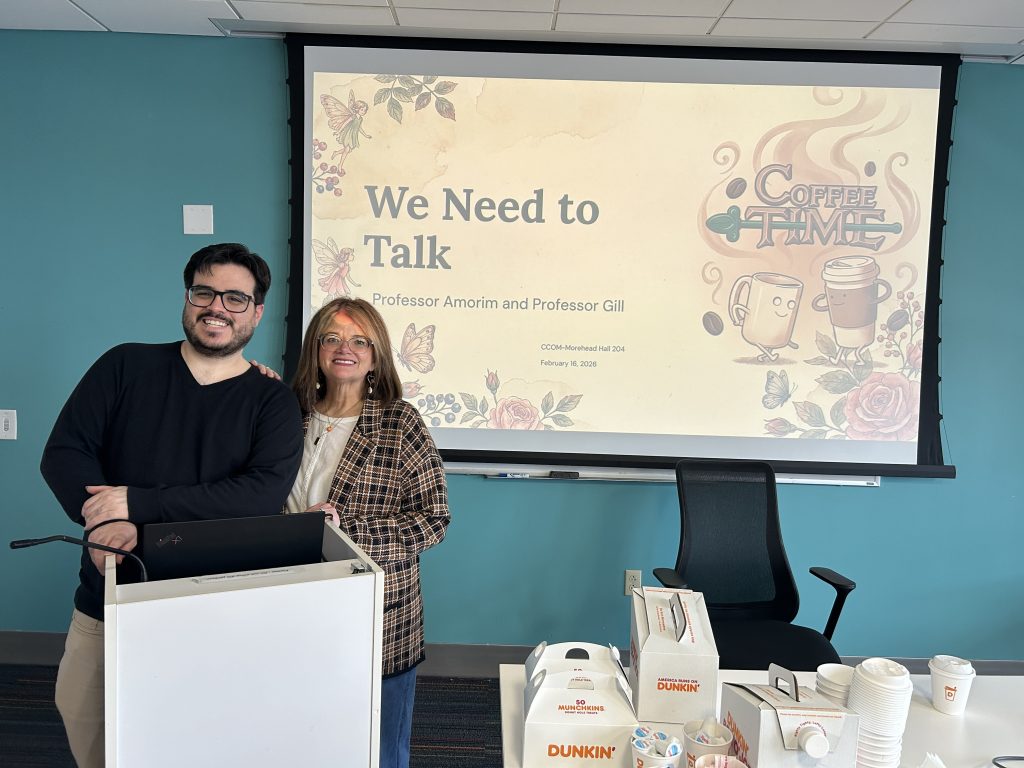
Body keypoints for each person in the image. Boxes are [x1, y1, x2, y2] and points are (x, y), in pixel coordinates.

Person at [40, 243, 303, 768]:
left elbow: (258, 495)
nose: (216, 308)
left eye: (235, 297)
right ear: (187, 298)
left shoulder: (272, 401)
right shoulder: (125, 365)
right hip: (109, 593)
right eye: (204, 292)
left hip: (214, 605)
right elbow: (64, 454)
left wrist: (139, 503)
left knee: (195, 736)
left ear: (256, 311)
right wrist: (110, 520)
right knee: (85, 715)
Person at [286, 297, 449, 768]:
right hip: (293, 596)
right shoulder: (284, 413)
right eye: (332, 337)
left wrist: (345, 532)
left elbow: (434, 519)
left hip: (377, 608)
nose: (345, 348)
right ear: (315, 348)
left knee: (381, 743)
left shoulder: (401, 423)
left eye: (360, 340)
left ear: (376, 354)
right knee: (304, 729)